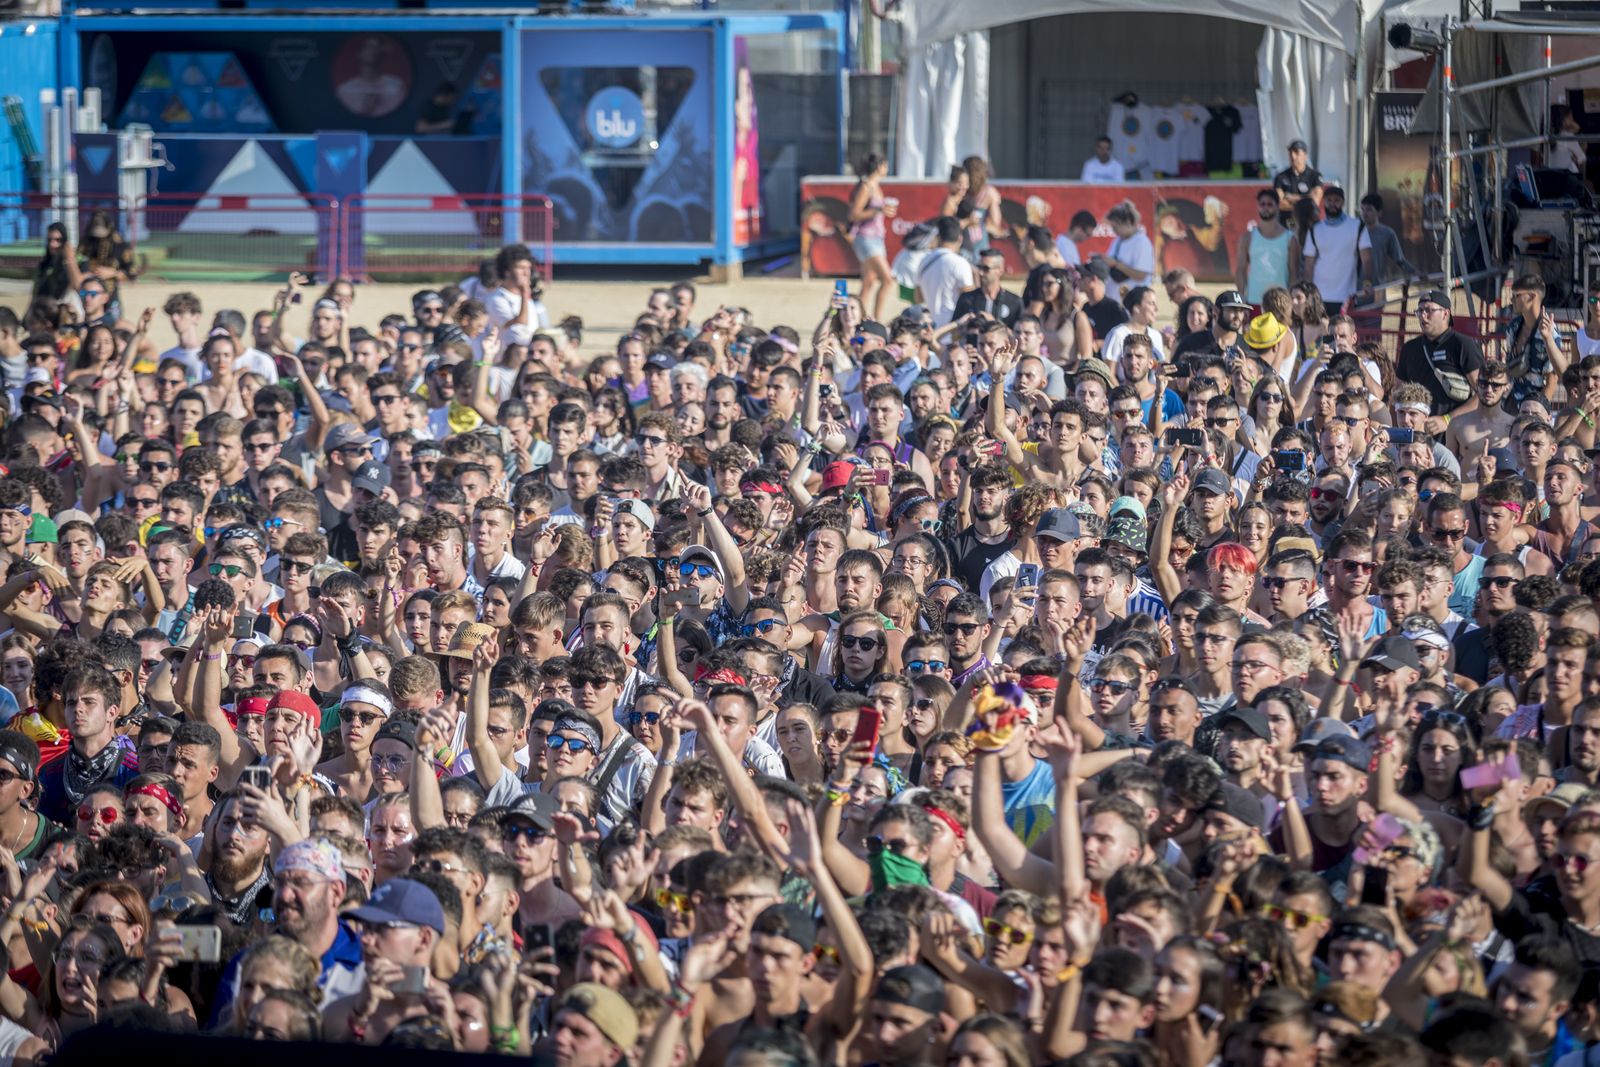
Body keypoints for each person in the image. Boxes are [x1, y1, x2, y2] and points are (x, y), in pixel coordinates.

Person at [1274, 139, 1323, 215]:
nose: (1293, 156)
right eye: (1290, 153)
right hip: (1288, 222)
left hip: (1308, 221)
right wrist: (1306, 198)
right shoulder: (1281, 177)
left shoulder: (1315, 176)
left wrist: (1291, 197)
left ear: (1305, 155)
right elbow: (1279, 203)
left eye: (1297, 152)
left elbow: (1314, 202)